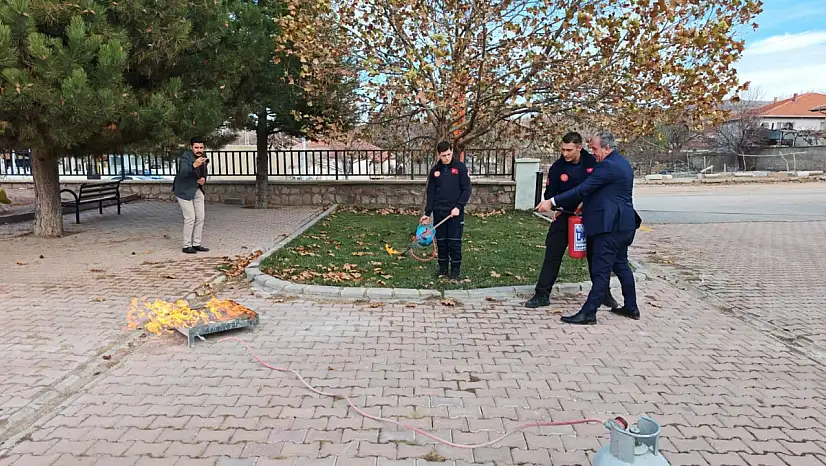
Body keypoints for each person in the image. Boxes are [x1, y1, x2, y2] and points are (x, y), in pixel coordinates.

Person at [547, 131, 641, 325]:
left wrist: (553, 201)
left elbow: (583, 188)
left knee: (601, 271)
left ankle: (589, 313)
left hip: (610, 228)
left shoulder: (607, 166)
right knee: (621, 265)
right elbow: (604, 192)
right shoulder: (622, 162)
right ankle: (631, 307)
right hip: (625, 225)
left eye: (595, 149)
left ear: (607, 148)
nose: (593, 152)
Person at [529, 132, 620, 310]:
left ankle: (603, 294)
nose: (565, 154)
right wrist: (557, 208)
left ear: (579, 148)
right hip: (565, 215)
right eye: (563, 149)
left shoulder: (594, 164)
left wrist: (585, 203)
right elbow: (550, 195)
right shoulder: (557, 168)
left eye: (569, 150)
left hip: (591, 216)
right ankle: (542, 294)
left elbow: (601, 189)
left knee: (597, 257)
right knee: (552, 255)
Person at [421, 141, 472, 279]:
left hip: (455, 212)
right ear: (439, 154)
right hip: (439, 211)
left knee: (454, 242)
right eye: (444, 155)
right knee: (442, 242)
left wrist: (458, 207)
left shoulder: (460, 168)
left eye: (449, 154)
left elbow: (467, 190)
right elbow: (431, 193)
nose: (447, 158)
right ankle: (443, 268)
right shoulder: (435, 171)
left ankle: (455, 270)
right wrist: (427, 213)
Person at [173, 137, 210, 254]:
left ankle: (197, 244)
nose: (199, 150)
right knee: (190, 217)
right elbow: (183, 172)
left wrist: (204, 179)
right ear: (191, 147)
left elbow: (204, 173)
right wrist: (194, 165)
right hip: (183, 191)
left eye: (201, 147)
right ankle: (187, 245)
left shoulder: (203, 157)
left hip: (197, 189)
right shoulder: (186, 157)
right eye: (196, 147)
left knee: (200, 217)